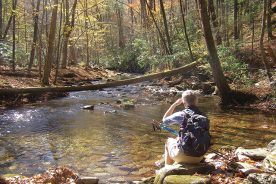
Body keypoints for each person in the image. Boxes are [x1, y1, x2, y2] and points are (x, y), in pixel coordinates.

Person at [161, 90, 209, 165]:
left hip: (183, 155)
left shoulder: (181, 114)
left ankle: (167, 169)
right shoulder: (203, 116)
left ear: (183, 102)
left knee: (168, 141)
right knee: (179, 137)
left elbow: (164, 120)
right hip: (200, 156)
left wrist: (174, 105)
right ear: (196, 101)